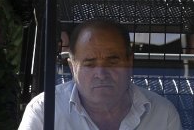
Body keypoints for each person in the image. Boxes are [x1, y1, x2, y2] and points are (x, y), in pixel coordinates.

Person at [19, 19, 182, 129]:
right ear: (72, 66)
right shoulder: (43, 110)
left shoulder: (163, 114)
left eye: (112, 61)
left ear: (129, 62)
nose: (102, 73)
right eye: (89, 64)